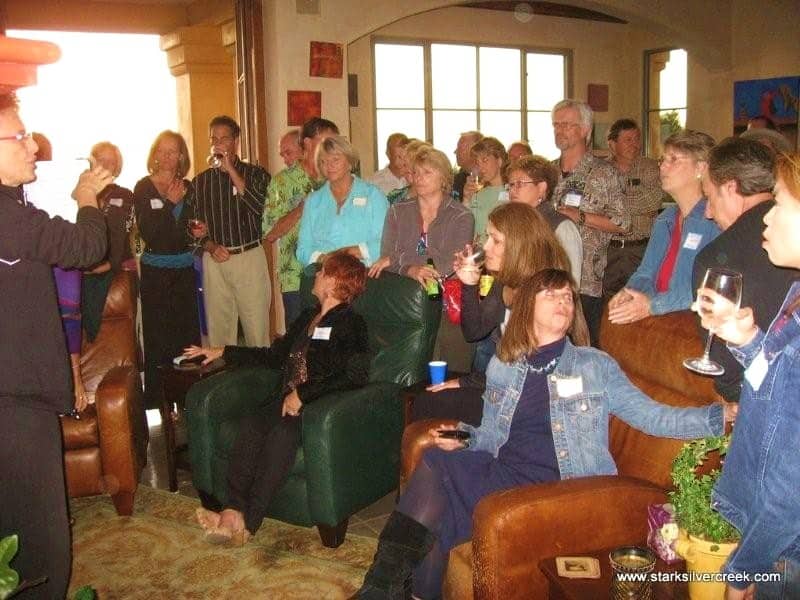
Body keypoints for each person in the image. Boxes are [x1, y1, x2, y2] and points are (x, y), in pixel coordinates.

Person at [356, 268, 733, 599]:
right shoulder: (504, 365)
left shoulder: (594, 365)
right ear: (527, 307)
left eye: (568, 296)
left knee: (439, 477)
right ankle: (396, 591)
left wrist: (718, 417)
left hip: (562, 485)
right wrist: (466, 437)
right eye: (551, 294)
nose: (563, 301)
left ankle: (378, 589)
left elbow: (653, 416)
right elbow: (491, 435)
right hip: (505, 473)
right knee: (437, 473)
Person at [0, 91, 112, 599]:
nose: (32, 147)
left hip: (17, 395)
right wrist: (86, 196)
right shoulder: (6, 216)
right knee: (43, 548)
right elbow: (87, 246)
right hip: (15, 402)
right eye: (20, 136)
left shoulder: (14, 209)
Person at [185, 251, 370, 545]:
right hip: (285, 399)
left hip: (318, 408)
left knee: (282, 436)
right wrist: (223, 351)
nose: (316, 275)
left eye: (322, 271)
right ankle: (232, 512)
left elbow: (355, 375)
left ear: (334, 282)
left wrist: (303, 395)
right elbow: (274, 356)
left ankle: (249, 523)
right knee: (252, 425)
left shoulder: (351, 323)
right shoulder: (309, 317)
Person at [699, 152, 800, 599]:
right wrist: (746, 340)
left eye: (780, 203)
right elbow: (781, 389)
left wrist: (743, 571)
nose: (768, 217)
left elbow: (792, 483)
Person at [411, 203, 571, 425]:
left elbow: (531, 368)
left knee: (429, 404)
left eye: (495, 240)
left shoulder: (547, 293)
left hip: (535, 400)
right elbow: (474, 332)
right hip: (506, 387)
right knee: (427, 399)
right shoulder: (505, 284)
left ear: (519, 244)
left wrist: (469, 383)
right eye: (487, 237)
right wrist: (469, 285)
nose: (485, 247)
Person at [693, 136, 796, 402]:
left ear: (730, 188)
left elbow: (728, 376)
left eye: (709, 197)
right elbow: (783, 372)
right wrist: (747, 339)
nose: (707, 212)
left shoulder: (715, 258)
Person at [368, 145, 475, 372]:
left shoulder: (461, 215)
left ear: (444, 177)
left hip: (447, 304)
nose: (419, 178)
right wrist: (409, 269)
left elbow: (449, 263)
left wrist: (398, 259)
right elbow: (384, 257)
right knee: (412, 377)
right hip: (405, 305)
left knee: (448, 374)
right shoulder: (397, 211)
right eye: (416, 172)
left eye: (427, 172)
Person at [608, 129, 719, 324]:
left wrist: (653, 306)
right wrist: (629, 293)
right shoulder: (665, 219)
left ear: (701, 168)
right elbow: (646, 272)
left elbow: (709, 288)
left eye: (673, 159)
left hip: (695, 325)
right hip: (662, 323)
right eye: (663, 159)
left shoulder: (715, 221)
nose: (662, 166)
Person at [550, 99, 628, 346]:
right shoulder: (547, 173)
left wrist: (581, 217)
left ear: (585, 129)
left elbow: (622, 223)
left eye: (567, 124)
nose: (559, 130)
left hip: (584, 283)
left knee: (582, 350)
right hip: (547, 278)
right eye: (556, 124)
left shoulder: (604, 173)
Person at [133, 130, 201, 409]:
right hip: (155, 275)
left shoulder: (189, 187)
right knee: (158, 340)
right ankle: (159, 403)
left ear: (181, 156)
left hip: (183, 272)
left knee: (186, 340)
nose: (166, 156)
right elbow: (150, 232)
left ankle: (188, 401)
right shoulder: (143, 187)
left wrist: (200, 231)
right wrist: (170, 203)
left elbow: (188, 229)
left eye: (172, 151)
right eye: (161, 150)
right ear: (154, 154)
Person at [193, 115, 271, 347]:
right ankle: (223, 371)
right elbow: (192, 226)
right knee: (219, 333)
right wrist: (209, 245)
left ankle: (258, 372)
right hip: (215, 260)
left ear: (236, 141)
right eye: (214, 139)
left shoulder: (256, 174)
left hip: (249, 257)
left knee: (256, 330)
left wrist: (231, 171)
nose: (218, 144)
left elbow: (260, 209)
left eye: (224, 139)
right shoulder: (200, 182)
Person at [263, 117, 339, 329]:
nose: (331, 148)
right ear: (307, 143)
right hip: (296, 277)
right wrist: (301, 209)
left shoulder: (335, 178)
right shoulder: (282, 182)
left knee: (332, 337)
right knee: (299, 339)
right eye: (326, 141)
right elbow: (270, 233)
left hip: (333, 275)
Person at [297, 135, 388, 267]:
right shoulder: (313, 201)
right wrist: (324, 259)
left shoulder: (373, 196)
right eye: (323, 161)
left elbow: (387, 242)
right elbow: (303, 249)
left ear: (350, 162)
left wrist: (349, 253)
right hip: (324, 272)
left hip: (363, 272)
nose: (329, 166)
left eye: (335, 159)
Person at [602, 119, 664, 299]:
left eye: (637, 139)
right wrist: (636, 206)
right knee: (608, 302)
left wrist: (611, 204)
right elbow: (594, 204)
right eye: (628, 140)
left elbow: (652, 201)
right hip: (609, 250)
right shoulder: (601, 170)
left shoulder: (650, 167)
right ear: (612, 144)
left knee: (640, 297)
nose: (634, 144)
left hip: (641, 249)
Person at [82, 141, 137, 343]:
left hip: (114, 263)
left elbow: (123, 237)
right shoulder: (84, 192)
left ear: (117, 167)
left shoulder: (125, 195)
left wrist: (108, 264)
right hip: (90, 260)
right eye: (100, 160)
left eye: (110, 161)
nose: (104, 165)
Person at [506, 154, 582, 282]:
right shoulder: (513, 224)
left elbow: (571, 282)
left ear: (541, 188)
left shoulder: (562, 227)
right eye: (511, 185)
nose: (512, 191)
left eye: (519, 184)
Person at [462, 136, 508, 241]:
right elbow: (464, 225)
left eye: (485, 160)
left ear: (499, 161)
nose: (480, 167)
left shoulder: (513, 192)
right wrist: (466, 199)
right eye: (477, 162)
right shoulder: (477, 193)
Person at [452, 131, 483, 203]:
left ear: (474, 151)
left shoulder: (490, 180)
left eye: (460, 148)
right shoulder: (456, 180)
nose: (455, 152)